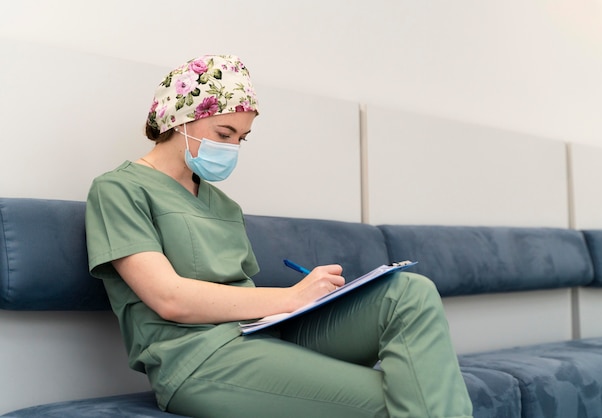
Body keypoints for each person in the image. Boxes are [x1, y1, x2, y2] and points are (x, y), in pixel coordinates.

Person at [85, 54, 473, 418]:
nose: (233, 146)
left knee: (409, 292)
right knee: (405, 399)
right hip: (198, 358)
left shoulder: (223, 205)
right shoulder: (118, 190)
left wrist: (314, 298)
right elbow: (169, 300)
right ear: (179, 118)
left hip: (264, 334)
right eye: (225, 132)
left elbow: (246, 298)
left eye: (242, 137)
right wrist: (292, 296)